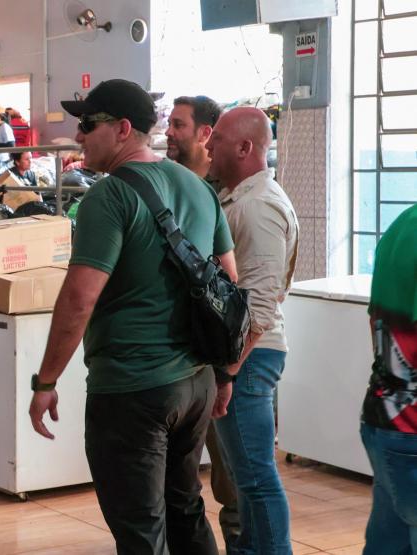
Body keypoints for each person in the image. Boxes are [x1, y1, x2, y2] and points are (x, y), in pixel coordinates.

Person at [28, 79, 236, 554]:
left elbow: (79, 299)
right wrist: (222, 373)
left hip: (133, 388)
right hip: (195, 382)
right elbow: (228, 284)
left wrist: (46, 381)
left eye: (87, 125)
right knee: (186, 511)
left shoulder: (109, 197)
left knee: (142, 532)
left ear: (122, 129)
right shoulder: (200, 189)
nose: (78, 136)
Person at [207, 106, 299, 555]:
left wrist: (228, 372)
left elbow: (259, 305)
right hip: (246, 356)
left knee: (256, 477)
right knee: (247, 480)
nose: (208, 145)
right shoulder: (240, 198)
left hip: (250, 357)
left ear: (245, 147)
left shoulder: (259, 206)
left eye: (218, 138)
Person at [165, 94, 241, 553]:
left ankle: (243, 546)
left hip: (225, 355)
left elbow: (241, 288)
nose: (169, 133)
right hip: (187, 362)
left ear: (205, 134)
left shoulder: (227, 196)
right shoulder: (169, 188)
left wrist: (229, 367)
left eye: (177, 125)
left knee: (234, 479)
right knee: (183, 485)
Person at [359, 203, 417, 554]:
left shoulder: (402, 224)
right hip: (412, 429)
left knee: (388, 542)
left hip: (384, 420)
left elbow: (375, 322)